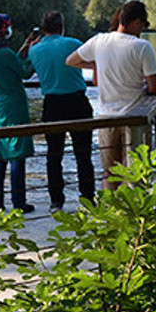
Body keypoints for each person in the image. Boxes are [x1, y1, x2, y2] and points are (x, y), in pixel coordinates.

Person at [66, 0, 156, 190]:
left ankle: (109, 208)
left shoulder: (99, 40)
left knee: (109, 173)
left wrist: (96, 65)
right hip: (134, 120)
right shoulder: (142, 47)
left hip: (106, 119)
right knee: (135, 173)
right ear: (135, 22)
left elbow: (71, 61)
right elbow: (154, 88)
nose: (142, 30)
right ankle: (131, 209)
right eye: (143, 25)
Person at [27, 11, 96, 213]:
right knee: (83, 155)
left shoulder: (34, 50)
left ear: (42, 29)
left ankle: (56, 201)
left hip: (52, 104)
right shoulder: (74, 44)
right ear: (61, 27)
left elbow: (28, 70)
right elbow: (94, 61)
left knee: (53, 155)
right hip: (77, 102)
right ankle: (88, 199)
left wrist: (30, 47)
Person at [0, 13, 35, 214]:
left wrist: (23, 50)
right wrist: (34, 53)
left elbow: (11, 66)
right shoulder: (4, 53)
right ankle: (19, 202)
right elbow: (25, 72)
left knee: (0, 152)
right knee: (17, 152)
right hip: (14, 106)